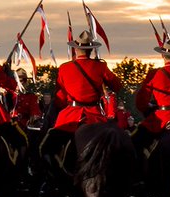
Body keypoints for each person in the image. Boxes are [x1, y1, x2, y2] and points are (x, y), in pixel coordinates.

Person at [40, 30, 123, 182]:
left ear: (75, 49)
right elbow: (117, 86)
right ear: (91, 50)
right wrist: (99, 68)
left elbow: (60, 98)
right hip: (95, 117)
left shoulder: (65, 68)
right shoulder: (100, 67)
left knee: (46, 148)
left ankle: (53, 183)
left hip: (70, 115)